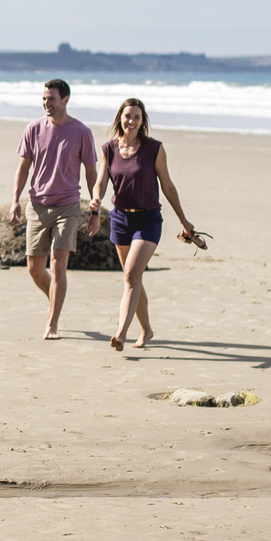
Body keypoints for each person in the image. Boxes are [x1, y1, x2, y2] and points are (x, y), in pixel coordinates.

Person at [89, 97, 197, 351]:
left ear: (142, 121)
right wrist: (96, 198)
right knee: (134, 277)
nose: (132, 121)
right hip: (120, 218)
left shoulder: (154, 149)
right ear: (120, 119)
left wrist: (183, 219)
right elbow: (101, 181)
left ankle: (120, 333)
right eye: (128, 116)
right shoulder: (108, 149)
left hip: (148, 219)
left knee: (130, 275)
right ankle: (147, 330)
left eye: (137, 117)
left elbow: (167, 186)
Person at [9, 79, 99, 339]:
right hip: (37, 206)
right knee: (35, 268)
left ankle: (52, 323)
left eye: (51, 99)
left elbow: (91, 171)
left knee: (59, 265)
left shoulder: (82, 132)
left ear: (65, 100)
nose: (47, 103)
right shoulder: (34, 128)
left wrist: (95, 207)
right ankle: (55, 299)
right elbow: (24, 167)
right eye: (44, 99)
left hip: (68, 206)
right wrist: (15, 199)